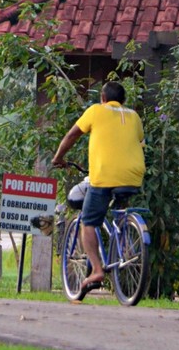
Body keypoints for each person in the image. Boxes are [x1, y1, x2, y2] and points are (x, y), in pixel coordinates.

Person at [51, 81, 145, 293]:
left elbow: (72, 135)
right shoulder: (134, 117)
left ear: (103, 98)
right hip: (133, 175)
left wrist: (58, 157)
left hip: (103, 176)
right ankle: (124, 233)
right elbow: (138, 140)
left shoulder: (95, 111)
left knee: (89, 221)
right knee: (118, 209)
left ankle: (96, 270)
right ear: (123, 101)